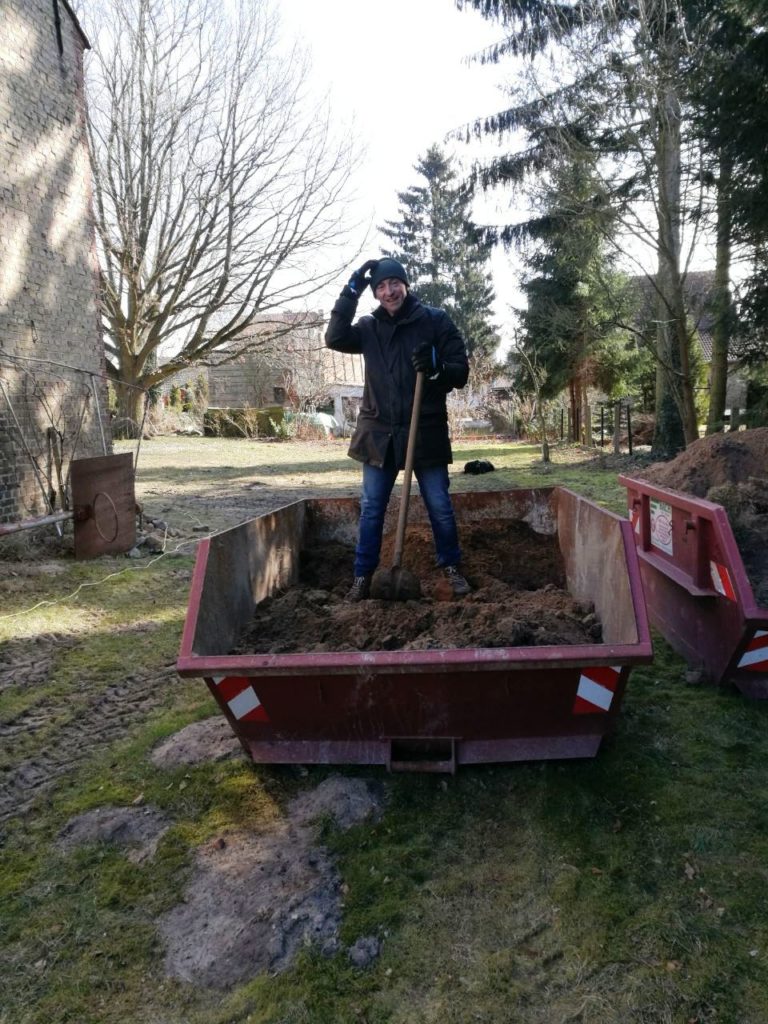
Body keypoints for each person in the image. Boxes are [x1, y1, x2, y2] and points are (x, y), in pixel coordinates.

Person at [325, 256, 471, 601]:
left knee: (439, 504)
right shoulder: (368, 328)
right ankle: (362, 576)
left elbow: (460, 371)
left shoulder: (434, 321)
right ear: (375, 293)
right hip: (380, 435)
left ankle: (451, 567)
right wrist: (351, 289)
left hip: (425, 430)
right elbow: (334, 337)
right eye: (380, 287)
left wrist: (437, 366)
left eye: (394, 284)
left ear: (406, 285)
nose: (389, 292)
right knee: (373, 506)